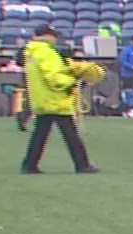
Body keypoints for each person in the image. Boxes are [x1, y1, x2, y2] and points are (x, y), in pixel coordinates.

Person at [19, 25, 101, 175]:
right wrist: (72, 81)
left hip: (43, 99)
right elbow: (53, 77)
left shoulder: (32, 52)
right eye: (53, 35)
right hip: (55, 99)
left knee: (40, 134)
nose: (55, 39)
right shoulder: (46, 52)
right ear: (46, 35)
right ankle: (82, 165)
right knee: (71, 135)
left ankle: (29, 164)